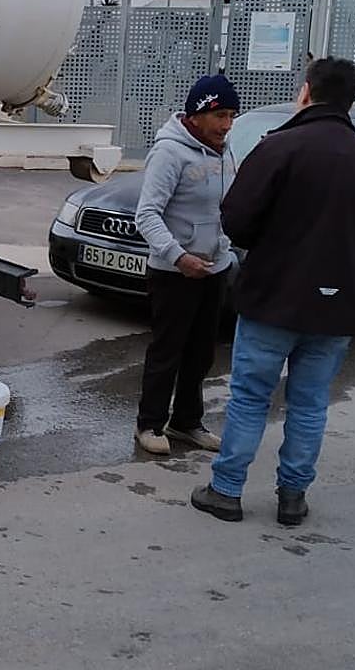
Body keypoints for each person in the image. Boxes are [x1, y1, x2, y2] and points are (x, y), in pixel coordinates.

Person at [191, 57, 355, 526]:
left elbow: (236, 220)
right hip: (337, 307)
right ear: (350, 100)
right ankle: (293, 497)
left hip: (273, 298)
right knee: (310, 404)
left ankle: (227, 490)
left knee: (250, 397)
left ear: (306, 92)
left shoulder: (279, 146)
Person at [133, 75, 239, 455]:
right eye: (220, 115)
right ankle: (149, 424)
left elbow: (224, 206)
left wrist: (225, 248)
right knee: (167, 352)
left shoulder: (225, 150)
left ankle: (186, 422)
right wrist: (178, 256)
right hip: (173, 273)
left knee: (201, 353)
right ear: (196, 115)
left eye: (232, 116)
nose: (227, 125)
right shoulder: (169, 152)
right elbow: (146, 215)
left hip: (214, 268)